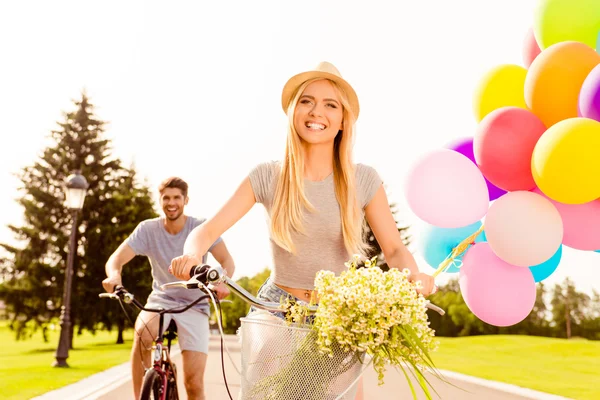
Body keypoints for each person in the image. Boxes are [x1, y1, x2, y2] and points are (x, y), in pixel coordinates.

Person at [169, 62, 436, 399]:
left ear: (342, 121)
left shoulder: (363, 179)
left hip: (340, 315)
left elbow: (395, 249)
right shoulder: (268, 176)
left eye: (330, 104)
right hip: (276, 310)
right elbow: (205, 232)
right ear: (294, 111)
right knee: (263, 389)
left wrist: (413, 276)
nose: (316, 111)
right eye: (307, 101)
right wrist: (192, 254)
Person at [102, 177, 234, 400]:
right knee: (142, 333)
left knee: (193, 383)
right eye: (166, 198)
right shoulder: (147, 229)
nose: (171, 203)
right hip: (161, 300)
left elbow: (227, 261)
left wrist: (223, 280)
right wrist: (114, 275)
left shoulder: (200, 227)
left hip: (195, 304)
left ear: (186, 200)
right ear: (160, 200)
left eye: (176, 198)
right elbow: (115, 259)